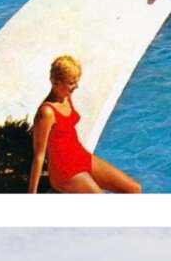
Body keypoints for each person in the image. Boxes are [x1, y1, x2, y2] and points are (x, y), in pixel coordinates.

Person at [29, 55, 142, 194]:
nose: (76, 86)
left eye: (76, 81)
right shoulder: (46, 112)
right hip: (64, 171)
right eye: (71, 82)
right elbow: (39, 155)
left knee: (134, 189)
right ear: (55, 82)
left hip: (80, 156)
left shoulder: (66, 97)